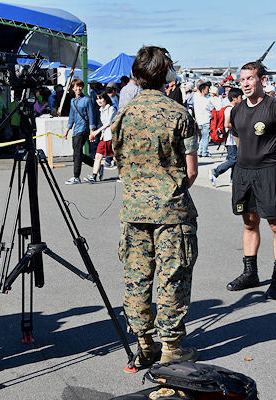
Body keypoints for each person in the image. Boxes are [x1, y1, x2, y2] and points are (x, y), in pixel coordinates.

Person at [111, 45, 199, 367]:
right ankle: (172, 346)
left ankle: (144, 342)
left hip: (134, 210)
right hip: (172, 211)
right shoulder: (178, 114)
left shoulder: (123, 115)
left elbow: (119, 163)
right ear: (167, 74)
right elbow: (191, 171)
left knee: (137, 276)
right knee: (171, 276)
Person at [227, 61, 276, 300]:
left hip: (269, 171)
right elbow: (239, 142)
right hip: (243, 172)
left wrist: (275, 169)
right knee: (249, 222)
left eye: (249, 78)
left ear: (262, 80)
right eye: (242, 79)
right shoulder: (236, 110)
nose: (245, 84)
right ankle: (250, 273)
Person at [63, 78, 96, 184]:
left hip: (84, 129)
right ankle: (97, 165)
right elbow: (71, 116)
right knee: (77, 153)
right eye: (76, 86)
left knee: (77, 153)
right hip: (76, 129)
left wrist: (92, 131)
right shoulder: (72, 101)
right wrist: (67, 130)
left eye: (80, 86)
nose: (78, 88)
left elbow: (91, 115)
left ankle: (76, 177)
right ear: (72, 88)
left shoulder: (87, 100)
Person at [209, 87, 243, 186]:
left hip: (233, 139)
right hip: (231, 139)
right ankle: (215, 171)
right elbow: (227, 124)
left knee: (235, 160)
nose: (242, 99)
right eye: (240, 97)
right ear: (234, 98)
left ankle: (233, 180)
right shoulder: (229, 109)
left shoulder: (232, 109)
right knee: (234, 159)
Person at [84, 93, 116, 183]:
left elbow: (108, 123)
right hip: (104, 137)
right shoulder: (100, 110)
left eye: (101, 98)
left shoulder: (111, 108)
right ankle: (94, 176)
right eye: (97, 99)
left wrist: (96, 132)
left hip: (112, 136)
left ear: (106, 99)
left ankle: (124, 176)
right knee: (98, 156)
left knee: (116, 157)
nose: (99, 101)